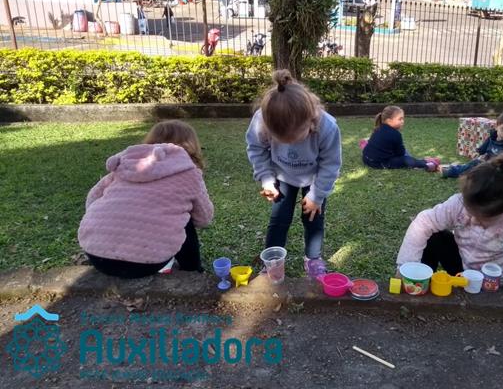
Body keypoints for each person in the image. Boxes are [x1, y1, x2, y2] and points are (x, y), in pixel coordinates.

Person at [396, 153, 503, 306]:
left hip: (501, 285)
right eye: (470, 211)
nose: (472, 220)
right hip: (465, 271)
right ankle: (419, 283)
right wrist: (406, 265)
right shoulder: (459, 203)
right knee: (435, 237)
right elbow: (424, 222)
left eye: (481, 218)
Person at [78, 120, 214, 278]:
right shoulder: (190, 173)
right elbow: (204, 218)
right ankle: (192, 269)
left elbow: (93, 198)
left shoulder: (124, 165)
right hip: (146, 264)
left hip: (96, 255)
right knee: (185, 218)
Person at [246, 69, 342, 277]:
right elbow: (256, 148)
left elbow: (330, 164)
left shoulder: (327, 126)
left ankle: (313, 259)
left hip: (315, 178)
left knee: (313, 218)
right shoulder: (262, 120)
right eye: (282, 139)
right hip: (281, 176)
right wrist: (267, 179)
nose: (290, 144)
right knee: (279, 219)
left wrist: (316, 196)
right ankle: (272, 261)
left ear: (310, 120)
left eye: (296, 138)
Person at [441, 111, 503, 178]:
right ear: (496, 127)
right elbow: (484, 146)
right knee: (473, 164)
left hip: (498, 171)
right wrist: (478, 152)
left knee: (475, 167)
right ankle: (453, 169)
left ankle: (453, 171)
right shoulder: (493, 137)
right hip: (487, 164)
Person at [362, 105, 439, 171]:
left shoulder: (378, 127)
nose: (402, 121)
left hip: (366, 159)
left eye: (403, 119)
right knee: (406, 160)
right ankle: (425, 163)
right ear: (389, 121)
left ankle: (366, 144)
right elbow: (401, 153)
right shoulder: (395, 134)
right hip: (379, 163)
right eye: (400, 119)